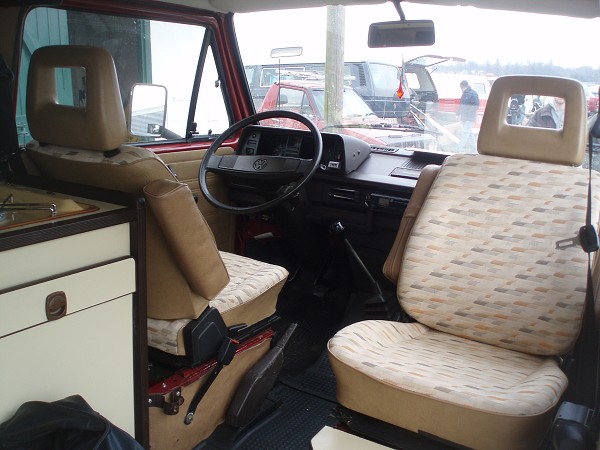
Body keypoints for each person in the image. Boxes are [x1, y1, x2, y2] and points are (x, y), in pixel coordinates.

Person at [456, 80, 480, 152]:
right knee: (469, 133)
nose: (461, 89)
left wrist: (467, 113)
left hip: (469, 118)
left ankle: (458, 148)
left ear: (463, 86)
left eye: (461, 88)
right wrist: (458, 114)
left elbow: (476, 106)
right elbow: (461, 105)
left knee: (465, 133)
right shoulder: (464, 94)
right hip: (465, 117)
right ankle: (474, 149)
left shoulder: (473, 94)